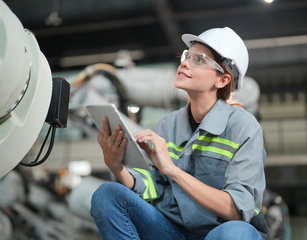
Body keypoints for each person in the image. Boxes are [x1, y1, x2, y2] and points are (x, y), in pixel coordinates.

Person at [90, 27, 268, 240]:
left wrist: (172, 170)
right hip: (172, 230)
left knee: (237, 233)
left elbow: (236, 210)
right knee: (107, 195)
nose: (184, 63)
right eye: (187, 56)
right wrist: (116, 167)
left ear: (222, 80)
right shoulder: (168, 125)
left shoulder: (244, 127)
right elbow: (153, 186)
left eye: (199, 60)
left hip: (219, 232)